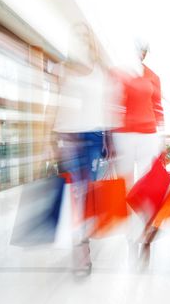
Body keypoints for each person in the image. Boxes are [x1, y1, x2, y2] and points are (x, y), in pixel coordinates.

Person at [46, 22, 112, 276]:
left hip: (95, 136)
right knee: (77, 191)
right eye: (77, 35)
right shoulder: (63, 70)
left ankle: (83, 235)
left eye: (86, 35)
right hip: (68, 136)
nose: (81, 40)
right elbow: (54, 103)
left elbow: (107, 106)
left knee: (90, 189)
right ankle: (81, 248)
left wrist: (109, 140)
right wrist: (47, 137)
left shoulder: (101, 72)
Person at [109, 41, 165, 259]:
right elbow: (113, 104)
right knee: (127, 186)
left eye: (144, 49)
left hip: (149, 134)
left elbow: (158, 108)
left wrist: (162, 139)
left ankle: (147, 227)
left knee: (146, 185)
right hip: (123, 134)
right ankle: (132, 232)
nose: (140, 53)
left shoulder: (153, 77)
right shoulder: (120, 73)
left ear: (146, 52)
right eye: (137, 48)